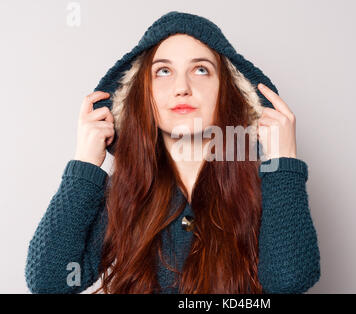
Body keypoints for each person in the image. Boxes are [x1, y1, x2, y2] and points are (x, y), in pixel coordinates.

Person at [25, 11, 321, 294]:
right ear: (143, 93)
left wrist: (284, 164)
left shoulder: (265, 189)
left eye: (201, 70)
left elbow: (289, 282)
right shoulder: (125, 193)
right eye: (163, 71)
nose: (182, 87)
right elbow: (49, 282)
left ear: (228, 90)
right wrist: (85, 163)